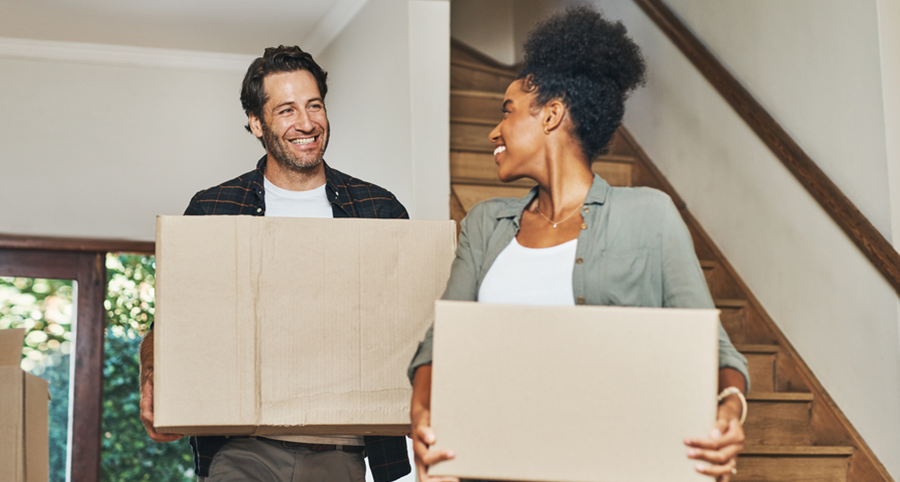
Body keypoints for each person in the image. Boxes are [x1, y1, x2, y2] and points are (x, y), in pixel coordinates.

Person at [407, 7, 749, 482]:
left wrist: (729, 412)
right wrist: (423, 417)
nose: (494, 130)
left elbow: (717, 353)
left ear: (551, 114)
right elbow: (438, 345)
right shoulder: (485, 224)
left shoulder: (650, 216)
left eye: (507, 110)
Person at [139, 45, 412, 482]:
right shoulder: (214, 208)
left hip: (340, 449)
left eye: (314, 105)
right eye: (286, 110)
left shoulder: (379, 209)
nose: (306, 123)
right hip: (241, 447)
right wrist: (152, 376)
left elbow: (408, 324)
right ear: (256, 123)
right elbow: (174, 319)